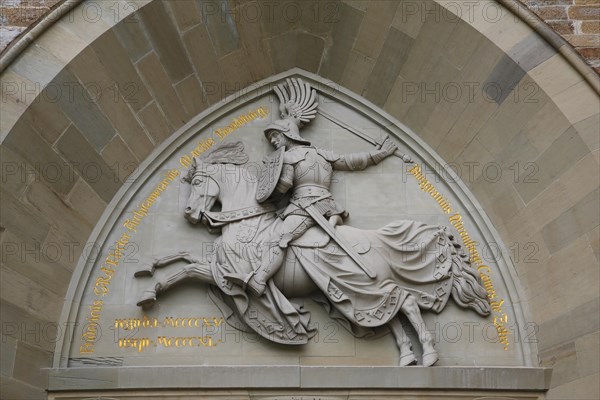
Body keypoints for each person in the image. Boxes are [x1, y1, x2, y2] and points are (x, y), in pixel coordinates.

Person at [224, 117, 398, 296]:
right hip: (328, 206)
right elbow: (351, 162)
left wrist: (273, 184)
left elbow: (283, 187)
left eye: (276, 136)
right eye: (271, 140)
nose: (274, 141)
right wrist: (380, 153)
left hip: (304, 208)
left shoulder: (289, 157)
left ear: (288, 134)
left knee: (276, 239)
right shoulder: (322, 153)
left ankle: (259, 280)